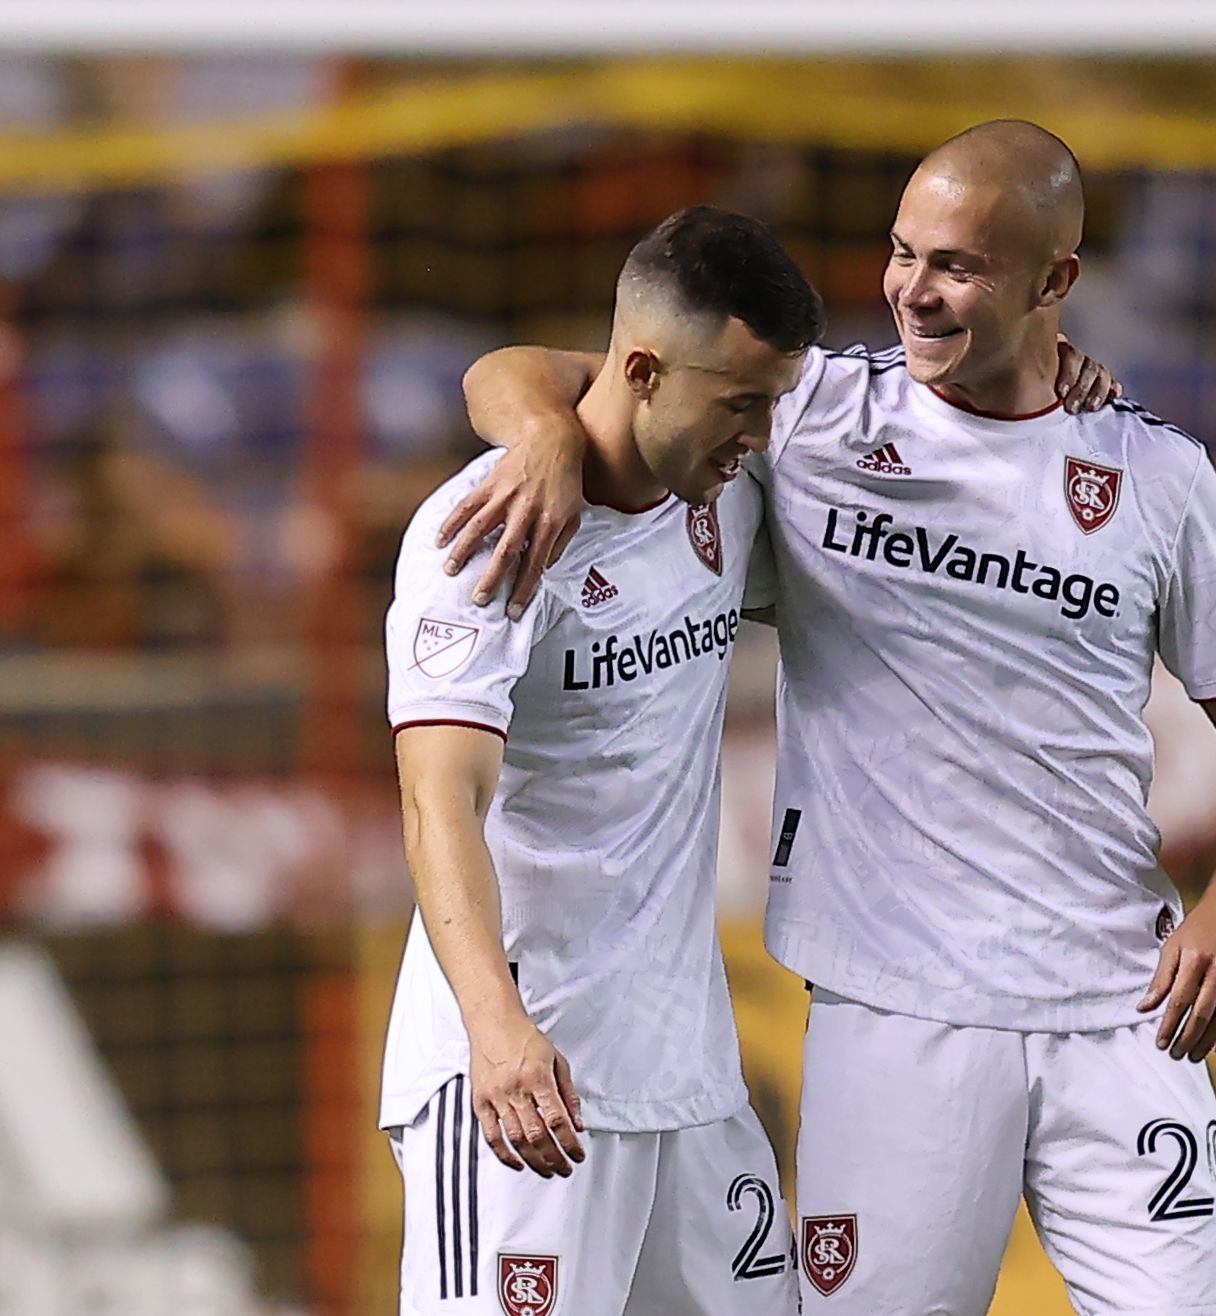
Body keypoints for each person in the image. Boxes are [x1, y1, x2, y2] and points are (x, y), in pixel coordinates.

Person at [452, 122, 1216, 1316]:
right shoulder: (810, 420)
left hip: (1120, 1003)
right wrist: (543, 434)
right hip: (893, 1014)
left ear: (1055, 283)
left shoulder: (1152, 477)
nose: (912, 287)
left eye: (956, 265)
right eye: (902, 252)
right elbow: (560, 369)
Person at [380, 206, 820, 1316]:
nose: (761, 436)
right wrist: (496, 1030)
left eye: (769, 404)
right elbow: (441, 798)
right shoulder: (486, 533)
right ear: (641, 371)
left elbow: (530, 371)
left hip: (689, 1081)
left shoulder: (715, 493)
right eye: (739, 405)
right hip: (528, 1083)